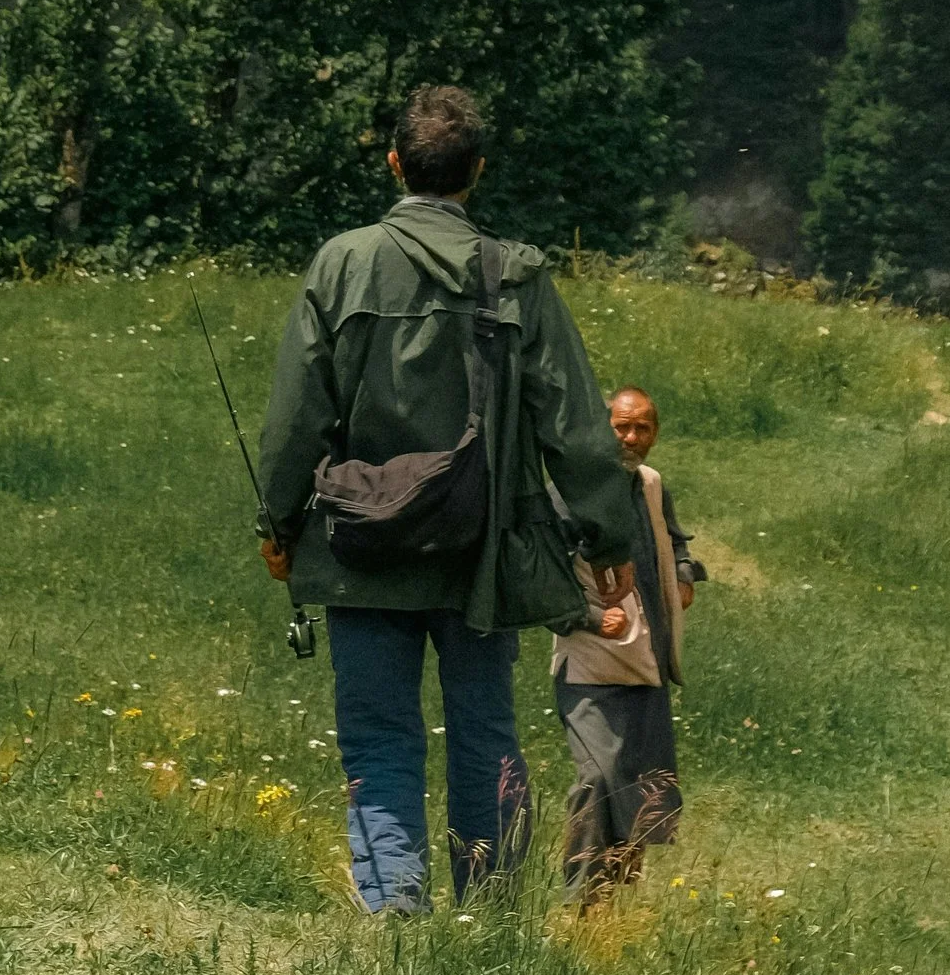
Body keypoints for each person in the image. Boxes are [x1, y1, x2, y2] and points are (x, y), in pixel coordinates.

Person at [257, 83, 640, 915]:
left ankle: (393, 903)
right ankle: (490, 910)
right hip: (482, 552)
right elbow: (575, 427)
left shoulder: (343, 262)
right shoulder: (516, 278)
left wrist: (279, 523)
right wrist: (610, 542)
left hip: (362, 546)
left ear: (395, 163)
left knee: (378, 734)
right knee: (484, 732)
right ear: (478, 174)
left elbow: (296, 417)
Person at [552, 383, 700, 899]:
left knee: (639, 783)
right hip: (591, 664)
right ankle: (580, 902)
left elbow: (676, 537)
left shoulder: (651, 483)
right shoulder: (575, 491)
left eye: (643, 428)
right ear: (603, 429)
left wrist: (683, 573)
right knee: (598, 776)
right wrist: (593, 618)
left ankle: (614, 901)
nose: (633, 437)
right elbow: (543, 579)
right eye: (622, 427)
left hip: (648, 661)